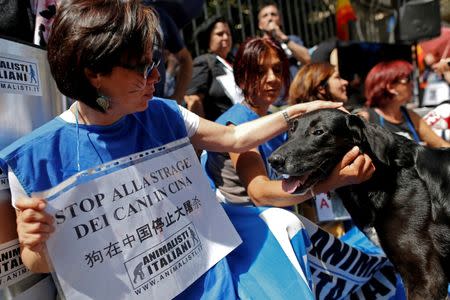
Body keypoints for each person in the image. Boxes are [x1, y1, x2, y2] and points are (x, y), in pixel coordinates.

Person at [0, 1, 367, 298]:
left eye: (155, 62)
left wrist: (296, 112)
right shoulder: (37, 159)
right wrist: (35, 243)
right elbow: (38, 263)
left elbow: (236, 139)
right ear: (94, 71)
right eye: (143, 67)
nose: (157, 76)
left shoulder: (164, 113)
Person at [205, 38, 373, 209]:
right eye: (260, 71)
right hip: (247, 224)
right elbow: (259, 194)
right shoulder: (237, 122)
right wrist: (331, 182)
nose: (272, 78)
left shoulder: (275, 119)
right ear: (241, 77)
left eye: (277, 70)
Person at [288, 62, 351, 237]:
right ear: (321, 88)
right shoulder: (295, 133)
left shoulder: (349, 123)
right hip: (323, 229)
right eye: (337, 78)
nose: (345, 82)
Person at [358, 60, 450, 147]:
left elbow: (441, 145)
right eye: (407, 80)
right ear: (391, 88)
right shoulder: (366, 118)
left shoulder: (410, 116)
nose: (412, 84)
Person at [184, 16, 237, 121]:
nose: (226, 37)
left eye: (228, 34)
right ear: (208, 38)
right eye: (220, 34)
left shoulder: (235, 62)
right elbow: (193, 100)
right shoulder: (203, 62)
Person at [143, 3, 193, 105]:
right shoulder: (110, 13)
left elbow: (185, 58)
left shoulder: (158, 15)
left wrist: (177, 98)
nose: (155, 75)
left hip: (156, 105)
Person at [257, 1, 310, 81]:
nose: (270, 18)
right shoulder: (256, 46)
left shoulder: (292, 39)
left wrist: (283, 38)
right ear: (260, 25)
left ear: (280, 20)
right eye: (265, 16)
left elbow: (307, 59)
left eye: (273, 14)